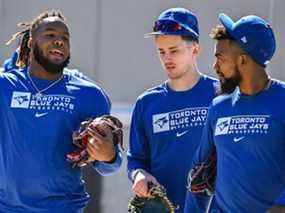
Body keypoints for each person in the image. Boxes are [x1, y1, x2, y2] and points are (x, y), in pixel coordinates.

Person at [0, 10, 122, 212]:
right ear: (31, 43)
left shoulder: (90, 95)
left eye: (65, 38)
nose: (59, 41)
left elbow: (110, 165)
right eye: (50, 35)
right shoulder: (5, 86)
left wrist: (107, 156)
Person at [190, 13, 285, 212]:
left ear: (242, 60)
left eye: (220, 58)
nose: (215, 66)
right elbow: (198, 175)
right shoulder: (217, 107)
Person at [127, 7, 218, 212]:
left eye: (174, 50)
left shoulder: (220, 96)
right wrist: (139, 175)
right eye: (161, 51)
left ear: (195, 49)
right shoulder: (147, 103)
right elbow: (136, 160)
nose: (167, 58)